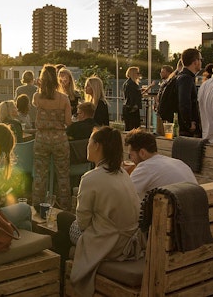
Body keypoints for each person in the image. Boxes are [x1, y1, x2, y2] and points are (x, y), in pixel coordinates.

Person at [69, 127, 142, 295]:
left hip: (110, 244)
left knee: (65, 223)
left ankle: (67, 285)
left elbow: (82, 223)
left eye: (89, 142)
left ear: (97, 146)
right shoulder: (123, 173)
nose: (87, 145)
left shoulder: (90, 178)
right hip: (130, 242)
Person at [32, 64, 72, 209]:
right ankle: (65, 208)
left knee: (39, 175)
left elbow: (35, 102)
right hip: (59, 139)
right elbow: (68, 122)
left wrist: (40, 87)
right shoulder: (64, 99)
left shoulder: (37, 97)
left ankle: (37, 207)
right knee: (62, 176)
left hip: (41, 138)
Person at [124, 128, 197, 200]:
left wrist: (123, 174)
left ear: (142, 153)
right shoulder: (178, 162)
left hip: (177, 210)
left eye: (130, 155)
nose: (130, 159)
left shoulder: (145, 167)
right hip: (197, 208)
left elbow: (125, 196)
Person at [176, 48, 202, 137]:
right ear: (195, 61)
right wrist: (189, 123)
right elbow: (184, 102)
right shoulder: (186, 78)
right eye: (200, 59)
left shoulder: (182, 76)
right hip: (188, 129)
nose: (201, 62)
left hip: (184, 127)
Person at [122, 66, 142, 131]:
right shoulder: (132, 84)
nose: (139, 75)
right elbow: (133, 97)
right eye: (137, 73)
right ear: (133, 73)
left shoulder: (127, 83)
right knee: (134, 128)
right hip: (131, 108)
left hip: (127, 107)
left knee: (128, 127)